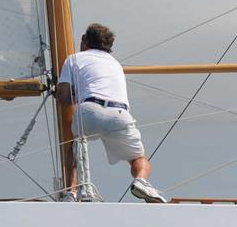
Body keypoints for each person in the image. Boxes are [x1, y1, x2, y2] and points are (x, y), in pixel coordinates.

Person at [56, 24, 166, 203]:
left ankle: (71, 192)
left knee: (75, 145)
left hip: (89, 110)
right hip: (119, 114)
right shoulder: (115, 64)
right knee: (138, 158)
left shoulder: (74, 59)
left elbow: (64, 98)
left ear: (85, 41)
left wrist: (64, 91)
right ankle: (141, 181)